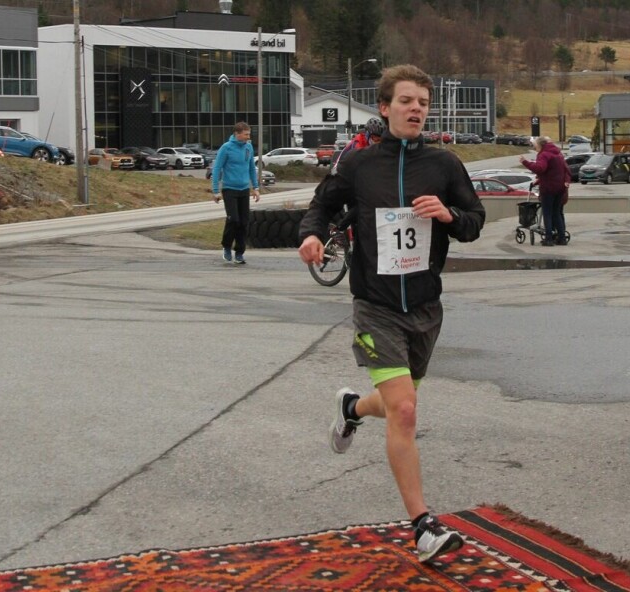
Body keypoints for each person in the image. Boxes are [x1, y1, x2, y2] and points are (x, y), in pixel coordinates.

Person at [297, 64, 485, 565]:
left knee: (394, 402)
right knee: (404, 409)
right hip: (375, 305)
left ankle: (351, 409)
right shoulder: (360, 165)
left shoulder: (444, 165)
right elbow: (320, 206)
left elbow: (474, 222)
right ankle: (423, 525)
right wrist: (311, 236)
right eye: (406, 101)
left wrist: (448, 215)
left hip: (425, 307)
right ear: (384, 108)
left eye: (423, 102)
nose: (416, 109)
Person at [211, 122, 260, 264]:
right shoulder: (226, 148)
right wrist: (215, 190)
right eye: (246, 134)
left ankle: (239, 252)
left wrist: (255, 188)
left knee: (244, 222)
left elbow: (251, 168)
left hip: (244, 189)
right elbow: (217, 169)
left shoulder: (248, 147)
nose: (248, 137)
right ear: (237, 134)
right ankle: (226, 246)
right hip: (229, 188)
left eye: (249, 134)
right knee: (233, 220)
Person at [519, 136, 567, 246]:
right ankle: (562, 237)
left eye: (535, 145)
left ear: (540, 145)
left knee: (547, 213)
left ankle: (548, 238)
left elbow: (540, 168)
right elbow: (554, 172)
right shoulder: (558, 154)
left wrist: (525, 162)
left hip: (548, 188)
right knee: (556, 213)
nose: (535, 148)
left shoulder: (544, 154)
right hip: (560, 188)